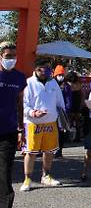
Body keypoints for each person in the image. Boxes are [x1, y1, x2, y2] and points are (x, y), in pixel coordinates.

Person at [21, 58, 65, 192]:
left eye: (48, 67)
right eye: (44, 67)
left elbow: (60, 102)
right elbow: (24, 104)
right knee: (31, 152)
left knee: (49, 151)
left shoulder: (53, 83)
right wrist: (33, 113)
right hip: (33, 123)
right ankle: (27, 178)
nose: (47, 70)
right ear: (37, 68)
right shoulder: (29, 83)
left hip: (51, 122)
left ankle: (46, 176)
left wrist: (63, 120)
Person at [0, 42, 26, 208]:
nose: (11, 59)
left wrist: (21, 129)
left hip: (8, 132)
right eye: (8, 56)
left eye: (14, 56)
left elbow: (21, 104)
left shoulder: (19, 78)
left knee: (4, 174)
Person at [53, 65, 70, 158]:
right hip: (52, 111)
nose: (61, 76)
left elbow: (68, 100)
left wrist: (65, 110)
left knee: (61, 131)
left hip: (62, 112)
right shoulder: (51, 84)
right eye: (59, 74)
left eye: (62, 74)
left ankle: (59, 150)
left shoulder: (66, 86)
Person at [66, 72, 84, 142]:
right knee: (76, 122)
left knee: (71, 121)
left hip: (73, 103)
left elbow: (82, 94)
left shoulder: (69, 84)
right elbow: (82, 94)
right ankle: (76, 137)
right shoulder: (78, 83)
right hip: (75, 103)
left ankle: (70, 137)